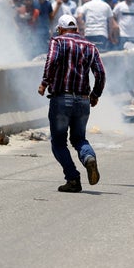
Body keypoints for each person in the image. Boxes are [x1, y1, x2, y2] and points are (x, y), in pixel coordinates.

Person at [38, 14, 105, 193]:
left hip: (61, 98)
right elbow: (100, 73)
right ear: (76, 29)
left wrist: (45, 82)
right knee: (79, 139)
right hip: (83, 100)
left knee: (59, 142)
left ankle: (73, 179)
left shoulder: (57, 41)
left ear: (60, 29)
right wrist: (95, 94)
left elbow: (51, 61)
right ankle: (88, 157)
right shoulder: (90, 46)